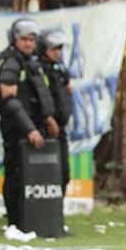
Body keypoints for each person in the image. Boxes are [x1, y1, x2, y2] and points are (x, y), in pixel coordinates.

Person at [0, 19, 59, 240]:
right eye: (24, 39)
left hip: (33, 127)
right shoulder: (10, 62)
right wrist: (29, 129)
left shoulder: (29, 61)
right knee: (14, 176)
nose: (29, 43)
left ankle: (31, 221)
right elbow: (9, 100)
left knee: (31, 179)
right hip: (17, 129)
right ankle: (15, 223)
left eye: (32, 39)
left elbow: (39, 93)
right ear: (15, 39)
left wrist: (48, 118)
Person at [37, 28, 74, 207]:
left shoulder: (59, 70)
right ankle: (43, 211)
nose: (58, 53)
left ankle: (56, 211)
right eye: (54, 49)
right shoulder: (37, 69)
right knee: (44, 174)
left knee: (63, 173)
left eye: (60, 49)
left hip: (61, 127)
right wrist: (48, 119)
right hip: (45, 128)